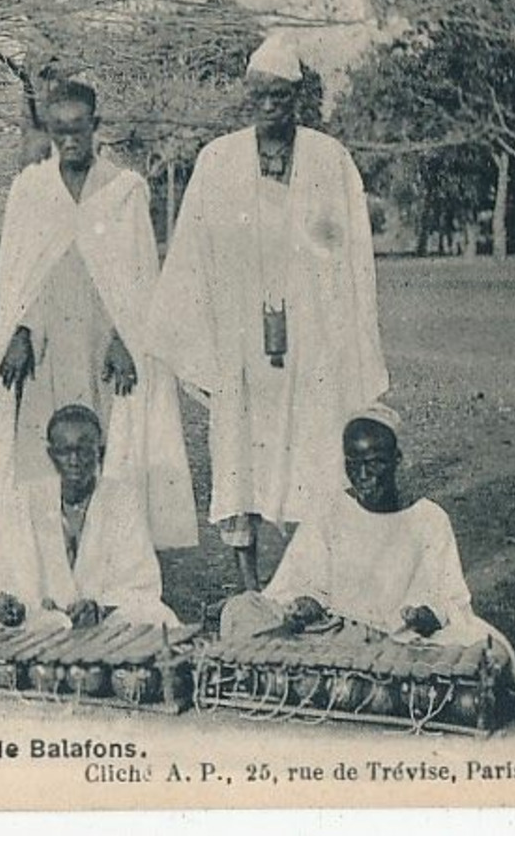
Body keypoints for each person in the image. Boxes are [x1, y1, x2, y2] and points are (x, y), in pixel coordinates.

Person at [149, 32, 387, 591]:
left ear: (298, 98)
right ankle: (251, 587)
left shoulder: (330, 161)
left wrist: (348, 331)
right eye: (260, 96)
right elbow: (191, 253)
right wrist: (199, 340)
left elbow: (351, 254)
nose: (270, 106)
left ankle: (310, 582)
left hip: (312, 341)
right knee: (240, 458)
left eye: (281, 96)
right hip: (239, 342)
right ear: (248, 97)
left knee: (316, 452)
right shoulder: (218, 162)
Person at [0, 82, 195, 552]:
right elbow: (18, 278)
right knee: (43, 452)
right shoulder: (31, 190)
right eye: (59, 131)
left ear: (96, 128)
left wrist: (124, 338)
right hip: (45, 348)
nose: (69, 141)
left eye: (77, 130)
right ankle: (45, 557)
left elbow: (136, 282)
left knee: (106, 449)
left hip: (102, 350)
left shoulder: (124, 191)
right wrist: (19, 331)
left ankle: (105, 557)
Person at [218, 406, 515, 695]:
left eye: (376, 464)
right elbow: (301, 584)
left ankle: (294, 670)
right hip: (332, 631)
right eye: (354, 463)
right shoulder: (329, 510)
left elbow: (450, 600)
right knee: (240, 611)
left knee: (490, 654)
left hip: (403, 641)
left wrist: (425, 615)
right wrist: (306, 604)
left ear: (398, 460)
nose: (364, 476)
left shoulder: (428, 519)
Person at [0, 405, 179, 632]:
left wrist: (102, 609)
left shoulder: (121, 499)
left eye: (84, 450)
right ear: (52, 455)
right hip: (35, 620)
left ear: (100, 452)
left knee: (157, 618)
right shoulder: (27, 498)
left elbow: (140, 583)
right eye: (65, 451)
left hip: (101, 624)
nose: (74, 460)